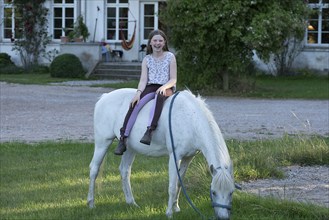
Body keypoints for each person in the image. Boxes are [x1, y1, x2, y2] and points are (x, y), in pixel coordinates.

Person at [114, 29, 177, 155]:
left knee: (160, 96)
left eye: (160, 40)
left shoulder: (170, 57)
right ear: (150, 43)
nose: (157, 43)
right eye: (155, 40)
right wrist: (137, 93)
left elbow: (173, 79)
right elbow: (143, 80)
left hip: (167, 87)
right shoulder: (147, 59)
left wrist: (165, 87)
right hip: (151, 86)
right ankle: (123, 138)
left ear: (164, 42)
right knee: (135, 104)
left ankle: (150, 130)